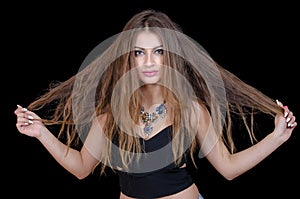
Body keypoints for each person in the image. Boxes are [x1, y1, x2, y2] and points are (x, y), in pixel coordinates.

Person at [14, 9, 297, 199]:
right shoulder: (111, 114)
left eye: (158, 51)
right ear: (129, 58)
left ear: (169, 56)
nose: (149, 61)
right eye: (139, 52)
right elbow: (81, 168)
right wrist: (41, 133)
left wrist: (277, 137)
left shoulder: (190, 110)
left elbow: (228, 168)